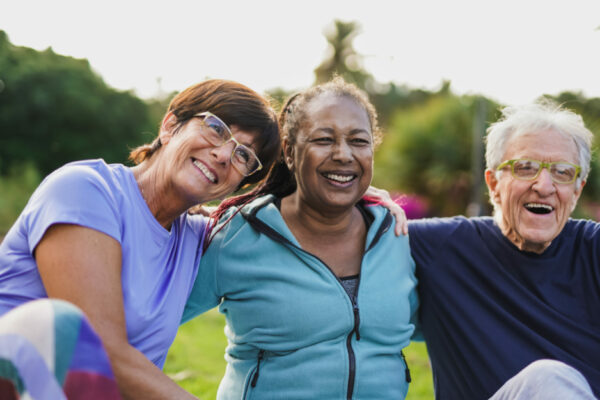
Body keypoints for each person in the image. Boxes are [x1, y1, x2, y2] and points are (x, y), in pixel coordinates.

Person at [0, 79, 281, 399]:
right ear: (170, 126)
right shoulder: (85, 190)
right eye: (216, 129)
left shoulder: (199, 238)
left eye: (243, 155)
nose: (223, 155)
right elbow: (103, 351)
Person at [182, 77, 419, 399]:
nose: (343, 154)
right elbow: (144, 324)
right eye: (323, 139)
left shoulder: (396, 234)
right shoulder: (236, 235)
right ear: (290, 154)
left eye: (359, 141)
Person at [408, 101, 599, 399]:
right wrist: (373, 205)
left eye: (562, 172)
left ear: (577, 190)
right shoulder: (439, 247)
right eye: (526, 168)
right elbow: (333, 223)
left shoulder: (594, 251)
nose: (544, 185)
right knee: (547, 381)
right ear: (493, 183)